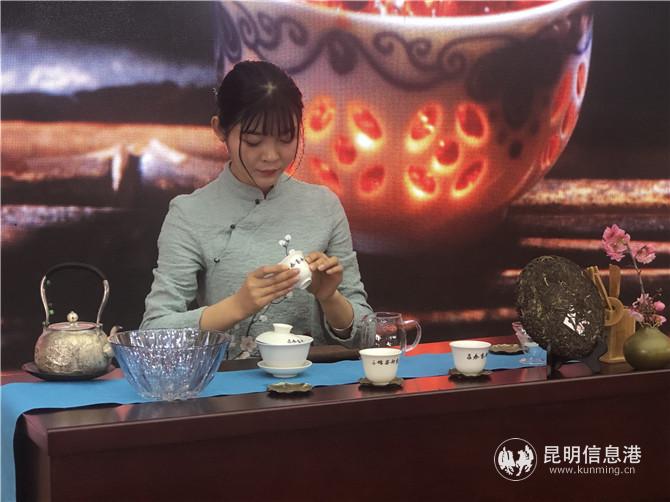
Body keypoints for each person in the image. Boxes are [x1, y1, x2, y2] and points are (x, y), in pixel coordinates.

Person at [141, 60, 372, 359]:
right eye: (253, 141)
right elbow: (153, 334)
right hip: (228, 387)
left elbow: (367, 335)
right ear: (220, 130)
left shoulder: (323, 205)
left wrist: (330, 298)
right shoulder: (190, 213)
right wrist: (237, 306)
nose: (271, 156)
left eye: (286, 139)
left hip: (314, 384)